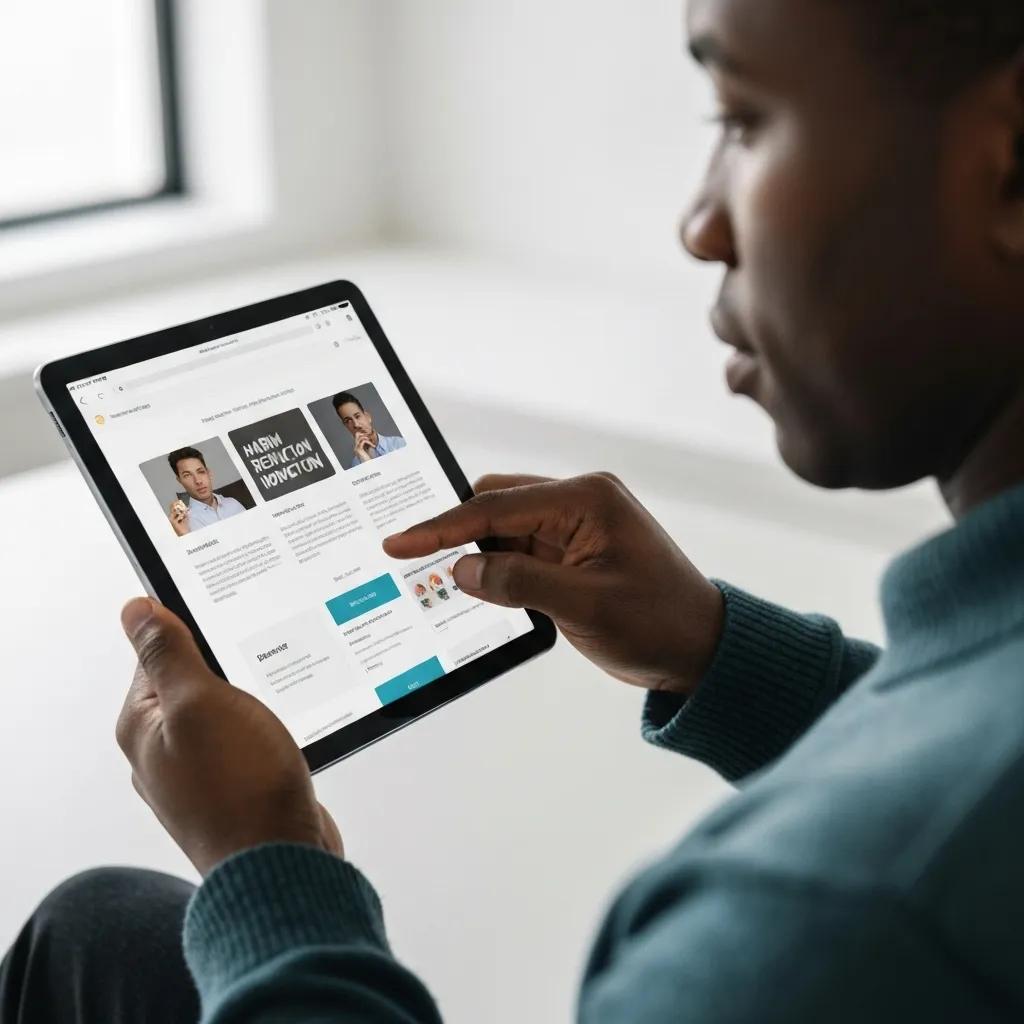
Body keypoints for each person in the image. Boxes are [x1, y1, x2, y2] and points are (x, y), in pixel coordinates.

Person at [4, 0, 1024, 1020]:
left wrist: (264, 862)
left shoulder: (815, 924)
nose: (699, 222)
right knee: (104, 925)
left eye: (743, 120)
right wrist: (719, 651)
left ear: (1009, 162)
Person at [165, 446, 246, 536]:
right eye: (187, 475)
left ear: (208, 473)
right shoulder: (184, 523)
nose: (198, 481)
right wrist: (184, 536)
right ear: (180, 481)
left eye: (200, 471)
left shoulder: (233, 503)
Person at [332, 390, 407, 469]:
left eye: (357, 416)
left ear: (368, 417)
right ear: (346, 426)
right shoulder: (355, 466)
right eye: (348, 421)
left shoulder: (399, 444)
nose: (356, 425)